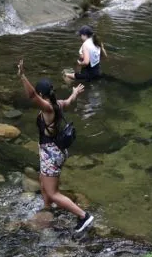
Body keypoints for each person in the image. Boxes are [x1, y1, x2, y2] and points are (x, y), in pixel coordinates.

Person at [17, 59, 94, 233]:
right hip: (52, 151)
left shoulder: (48, 109)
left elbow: (31, 96)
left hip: (51, 154)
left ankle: (84, 216)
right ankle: (47, 209)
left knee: (52, 192)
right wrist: (75, 93)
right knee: (43, 184)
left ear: (42, 95)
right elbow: (69, 101)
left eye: (39, 95)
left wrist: (22, 76)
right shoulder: (57, 104)